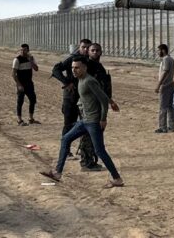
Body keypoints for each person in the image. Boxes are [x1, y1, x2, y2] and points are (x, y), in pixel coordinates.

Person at [40, 56, 124, 188]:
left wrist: (103, 118)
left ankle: (117, 179)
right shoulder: (80, 80)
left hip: (93, 122)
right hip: (84, 121)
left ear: (85, 67)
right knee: (66, 139)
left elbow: (102, 99)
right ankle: (57, 173)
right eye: (73, 68)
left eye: (77, 67)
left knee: (100, 151)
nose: (74, 70)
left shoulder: (89, 81)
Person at [78, 42, 119, 171]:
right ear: (88, 52)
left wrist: (110, 101)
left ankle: (89, 159)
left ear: (101, 52)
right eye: (92, 50)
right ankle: (87, 162)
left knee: (92, 133)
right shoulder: (86, 66)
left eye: (97, 50)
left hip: (97, 105)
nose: (95, 52)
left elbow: (102, 89)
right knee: (89, 134)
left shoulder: (99, 67)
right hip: (89, 106)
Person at [51, 38, 92, 157]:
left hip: (84, 98)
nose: (85, 50)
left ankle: (84, 150)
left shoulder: (89, 61)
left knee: (87, 124)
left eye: (87, 48)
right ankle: (66, 150)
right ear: (79, 47)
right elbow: (56, 69)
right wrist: (66, 82)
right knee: (68, 124)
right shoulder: (72, 59)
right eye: (83, 47)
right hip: (71, 97)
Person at [14, 43, 40, 126]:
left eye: (24, 50)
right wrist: (19, 84)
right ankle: (19, 120)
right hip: (21, 84)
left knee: (33, 100)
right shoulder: (17, 60)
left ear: (28, 50)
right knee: (20, 101)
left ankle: (31, 118)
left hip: (29, 83)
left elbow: (36, 69)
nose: (22, 51)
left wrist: (31, 61)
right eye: (21, 50)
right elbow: (13, 74)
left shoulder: (31, 58)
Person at [154, 44, 174, 133]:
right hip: (171, 84)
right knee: (170, 106)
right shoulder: (171, 59)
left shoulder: (166, 59)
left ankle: (163, 127)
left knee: (163, 107)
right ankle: (172, 126)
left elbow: (165, 72)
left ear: (163, 50)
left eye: (158, 50)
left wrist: (158, 85)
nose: (158, 52)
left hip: (166, 85)